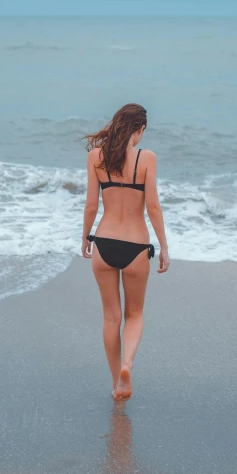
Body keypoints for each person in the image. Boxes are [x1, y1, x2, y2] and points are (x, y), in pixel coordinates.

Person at [81, 103, 170, 401]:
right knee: (135, 314)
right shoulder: (147, 159)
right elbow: (153, 207)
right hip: (135, 247)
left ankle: (116, 380)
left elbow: (91, 205)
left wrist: (85, 238)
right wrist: (165, 247)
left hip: (103, 244)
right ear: (140, 129)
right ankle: (128, 366)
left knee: (111, 317)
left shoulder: (96, 157)